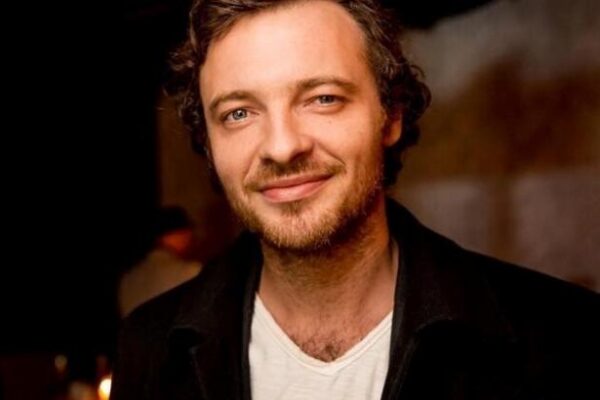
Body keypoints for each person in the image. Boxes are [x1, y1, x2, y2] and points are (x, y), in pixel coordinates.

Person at [111, 0, 600, 399]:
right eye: (239, 113)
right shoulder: (149, 348)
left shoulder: (567, 337)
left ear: (391, 115)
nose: (282, 146)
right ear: (208, 141)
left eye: (323, 98)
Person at [117, 206, 203, 317]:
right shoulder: (191, 272)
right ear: (173, 235)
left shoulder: (127, 279)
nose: (190, 237)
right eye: (186, 232)